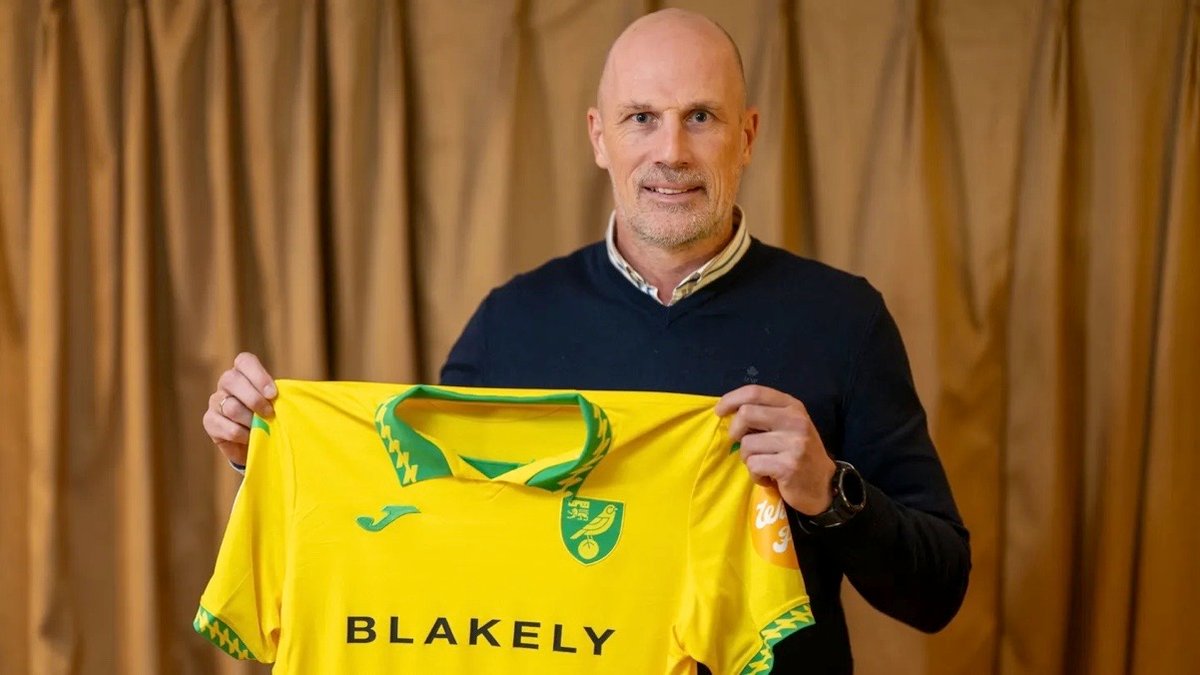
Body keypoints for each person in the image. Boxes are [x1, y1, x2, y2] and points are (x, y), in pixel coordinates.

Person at [203, 8, 970, 673]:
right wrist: (267, 453)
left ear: (747, 135)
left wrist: (829, 492)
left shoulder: (844, 320)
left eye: (701, 117)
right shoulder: (512, 324)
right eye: (642, 118)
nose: (671, 151)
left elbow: (939, 589)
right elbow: (419, 534)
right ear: (600, 137)